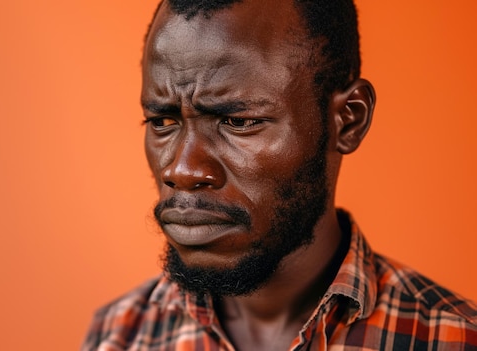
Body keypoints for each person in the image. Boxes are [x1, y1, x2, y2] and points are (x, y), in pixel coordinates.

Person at [82, 0, 477, 349]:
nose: (182, 170)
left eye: (238, 121)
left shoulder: (453, 339)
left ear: (347, 120)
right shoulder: (118, 334)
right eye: (163, 121)